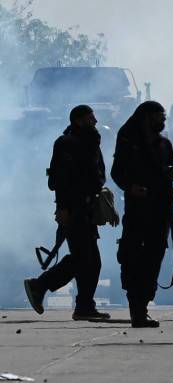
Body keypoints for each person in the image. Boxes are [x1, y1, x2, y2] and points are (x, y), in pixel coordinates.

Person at [24, 105, 112, 321]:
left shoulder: (91, 142)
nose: (96, 121)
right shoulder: (66, 143)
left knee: (91, 260)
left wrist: (107, 206)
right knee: (84, 258)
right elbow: (59, 180)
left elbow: (97, 177)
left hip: (88, 208)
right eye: (91, 117)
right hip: (73, 208)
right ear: (79, 120)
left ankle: (83, 306)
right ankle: (40, 285)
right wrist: (63, 208)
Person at [111, 101, 173, 328]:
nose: (163, 120)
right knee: (132, 257)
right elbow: (117, 172)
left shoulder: (164, 144)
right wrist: (131, 187)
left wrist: (172, 175)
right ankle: (136, 307)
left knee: (154, 256)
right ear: (147, 117)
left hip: (160, 209)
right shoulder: (129, 140)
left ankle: (143, 305)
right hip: (138, 209)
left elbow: (171, 170)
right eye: (159, 116)